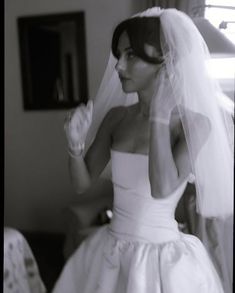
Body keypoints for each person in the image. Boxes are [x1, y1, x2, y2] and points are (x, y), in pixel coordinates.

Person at [52, 7, 234, 293]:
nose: (118, 66)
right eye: (119, 55)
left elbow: (162, 188)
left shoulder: (195, 125)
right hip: (109, 253)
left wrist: (159, 117)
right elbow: (81, 184)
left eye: (131, 55)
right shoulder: (116, 118)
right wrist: (74, 144)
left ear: (165, 62)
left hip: (164, 262)